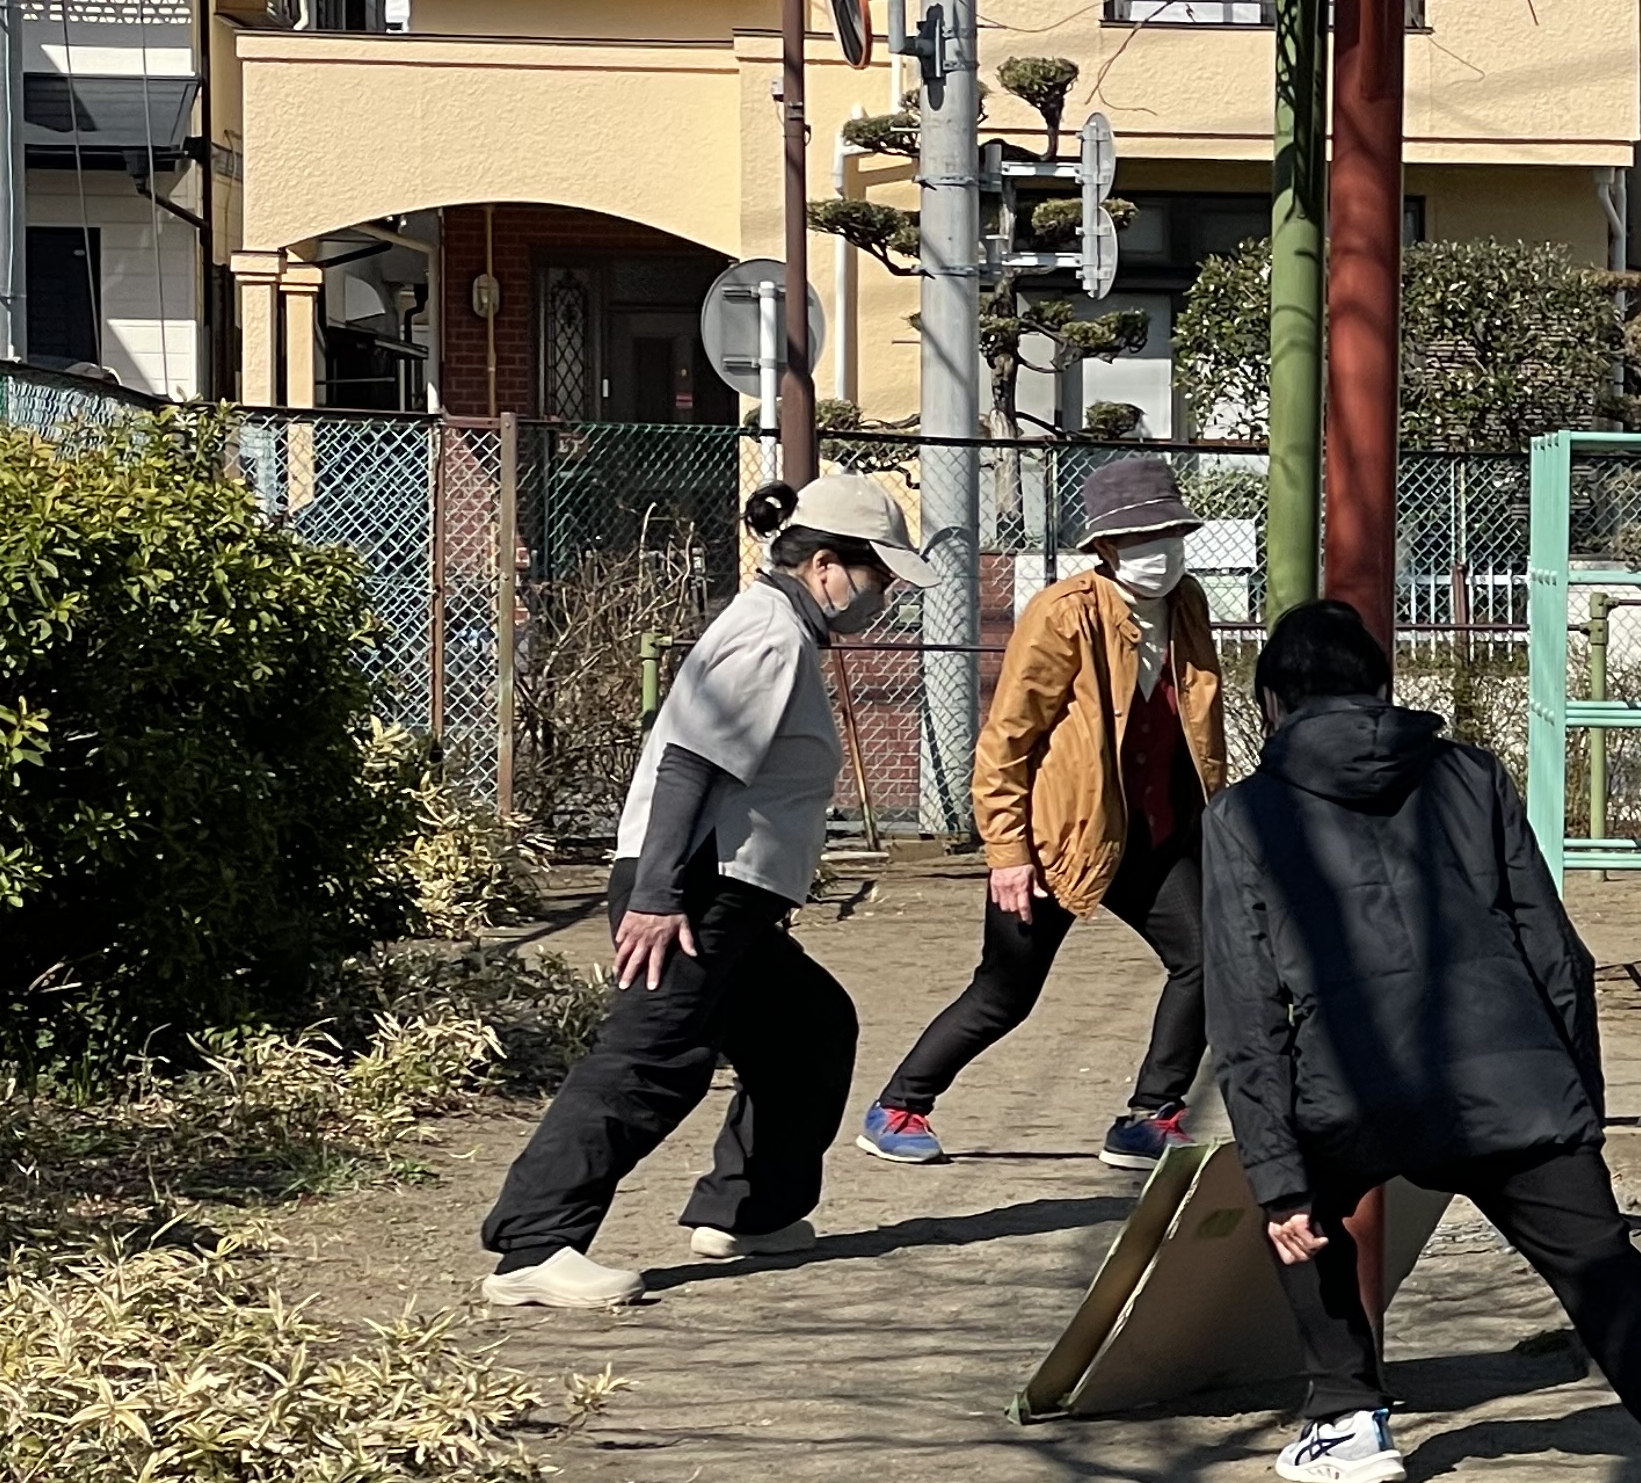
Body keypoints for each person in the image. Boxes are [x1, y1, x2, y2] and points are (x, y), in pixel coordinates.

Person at [1202, 599, 1641, 1483]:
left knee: (1303, 1212)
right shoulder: (1469, 775)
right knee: (1601, 1268)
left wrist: (1277, 1181)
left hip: (1352, 1082)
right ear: (1383, 686)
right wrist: (1577, 1105)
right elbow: (1555, 951)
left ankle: (1348, 1415)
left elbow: (1246, 1008)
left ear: (1269, 703)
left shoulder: (1242, 814)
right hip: (1512, 1073)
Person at [479, 470, 936, 1310]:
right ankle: (533, 1248)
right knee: (651, 1061)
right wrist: (657, 898)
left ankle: (750, 1213)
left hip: (733, 895)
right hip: (693, 887)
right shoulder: (768, 634)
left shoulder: (781, 629)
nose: (883, 597)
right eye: (877, 576)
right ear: (826, 565)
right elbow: (692, 763)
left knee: (808, 1032)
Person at [861, 456, 1228, 1173]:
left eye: (1171, 535)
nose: (1161, 552)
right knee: (1006, 992)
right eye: (1143, 538)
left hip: (1155, 835)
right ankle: (899, 1106)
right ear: (1107, 546)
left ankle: (1150, 1116)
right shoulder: (1064, 613)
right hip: (1059, 838)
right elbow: (1007, 740)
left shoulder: (1188, 603)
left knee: (1208, 960)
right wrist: (1007, 853)